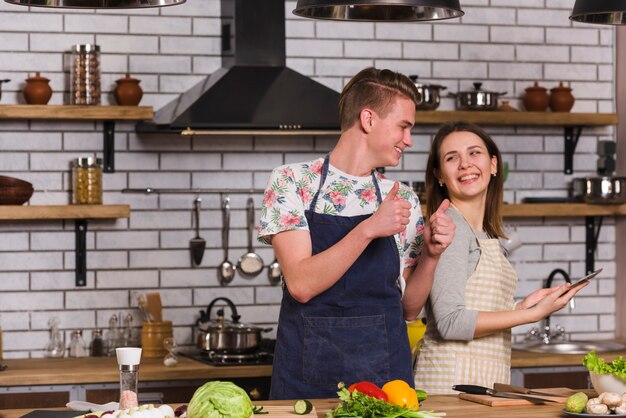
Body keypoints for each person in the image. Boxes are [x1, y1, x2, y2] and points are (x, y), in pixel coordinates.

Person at [258, 67, 455, 400]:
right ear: (369, 119)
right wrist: (368, 229)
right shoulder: (292, 182)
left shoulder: (402, 197)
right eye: (404, 126)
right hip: (306, 381)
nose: (409, 140)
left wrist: (432, 256)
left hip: (386, 380)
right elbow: (301, 285)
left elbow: (409, 309)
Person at [414, 121, 587, 394]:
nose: (465, 164)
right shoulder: (451, 229)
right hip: (448, 387)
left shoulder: (483, 233)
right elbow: (450, 322)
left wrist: (522, 308)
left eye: (474, 153)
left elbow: (472, 305)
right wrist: (531, 316)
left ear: (493, 165)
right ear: (439, 175)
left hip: (473, 384)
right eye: (451, 158)